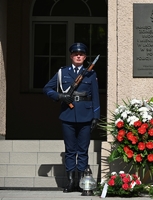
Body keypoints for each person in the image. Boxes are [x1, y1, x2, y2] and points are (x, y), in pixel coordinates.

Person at [43, 43, 100, 193]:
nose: (78, 56)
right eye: (75, 54)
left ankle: (82, 182)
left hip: (86, 115)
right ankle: (70, 182)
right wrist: (60, 96)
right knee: (70, 150)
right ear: (71, 56)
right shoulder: (63, 72)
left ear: (85, 57)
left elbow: (95, 96)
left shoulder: (90, 74)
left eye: (81, 54)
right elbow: (47, 88)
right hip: (67, 115)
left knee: (82, 150)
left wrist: (96, 116)